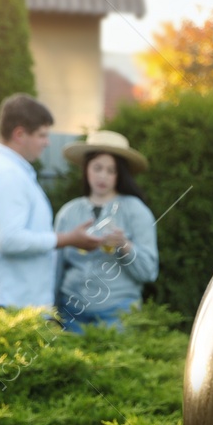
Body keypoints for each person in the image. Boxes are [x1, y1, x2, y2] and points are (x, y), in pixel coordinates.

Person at [0, 94, 104, 317]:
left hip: (13, 305)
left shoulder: (4, 169)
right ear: (19, 134)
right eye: (42, 135)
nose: (47, 142)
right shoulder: (6, 174)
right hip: (9, 307)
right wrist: (67, 239)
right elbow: (9, 240)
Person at [54, 129, 160, 332]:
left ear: (120, 175)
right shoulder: (68, 213)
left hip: (118, 315)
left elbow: (149, 272)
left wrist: (125, 245)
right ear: (86, 169)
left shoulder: (136, 210)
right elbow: (55, 267)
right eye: (97, 168)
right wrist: (50, 310)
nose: (103, 176)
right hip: (71, 314)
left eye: (111, 170)